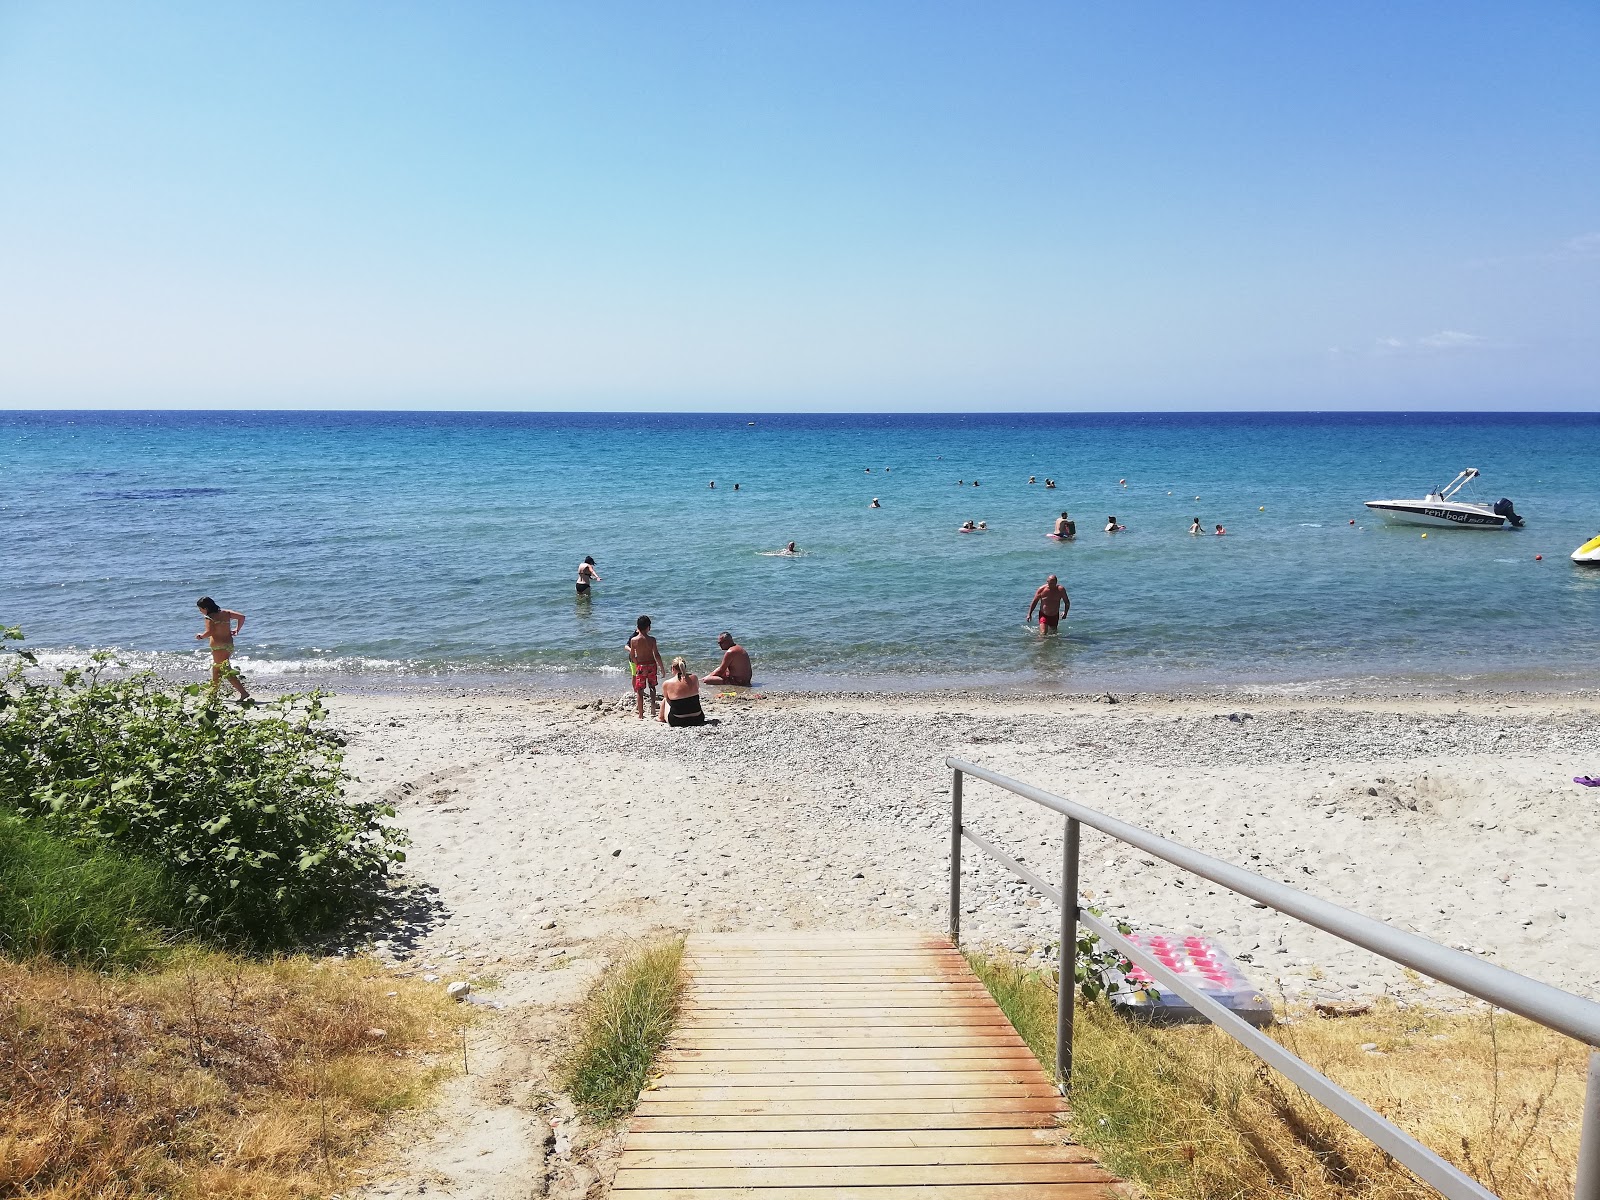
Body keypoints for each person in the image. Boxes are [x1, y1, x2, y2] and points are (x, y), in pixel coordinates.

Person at [195, 597, 251, 701]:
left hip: (219, 647)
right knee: (216, 669)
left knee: (225, 670)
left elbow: (210, 632)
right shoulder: (226, 613)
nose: (200, 611)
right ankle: (213, 694)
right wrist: (237, 630)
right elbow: (242, 617)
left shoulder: (209, 617)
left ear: (206, 608)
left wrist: (201, 636)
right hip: (228, 645)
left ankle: (243, 692)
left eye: (200, 609)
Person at [627, 615, 664, 719]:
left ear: (638, 627)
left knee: (639, 690)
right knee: (652, 687)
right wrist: (662, 668)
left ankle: (641, 714)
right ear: (649, 627)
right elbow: (656, 654)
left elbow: (632, 655)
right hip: (651, 665)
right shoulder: (652, 640)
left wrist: (636, 662)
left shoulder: (633, 640)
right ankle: (652, 708)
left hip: (641, 666)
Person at [659, 657, 705, 727]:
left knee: (665, 700)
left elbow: (668, 699)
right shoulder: (694, 678)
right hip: (698, 718)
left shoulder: (667, 683)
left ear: (673, 668)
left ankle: (660, 718)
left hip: (677, 721)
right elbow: (696, 690)